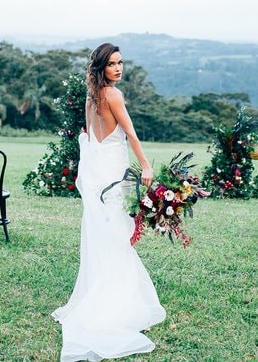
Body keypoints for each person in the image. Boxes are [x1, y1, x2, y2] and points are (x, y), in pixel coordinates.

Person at [52, 43, 166, 361]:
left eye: (120, 63)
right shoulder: (113, 95)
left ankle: (102, 290)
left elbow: (89, 135)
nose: (118, 68)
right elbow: (130, 133)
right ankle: (111, 302)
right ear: (101, 68)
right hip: (113, 170)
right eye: (112, 64)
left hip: (98, 171)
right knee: (116, 235)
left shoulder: (92, 96)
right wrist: (145, 166)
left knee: (106, 233)